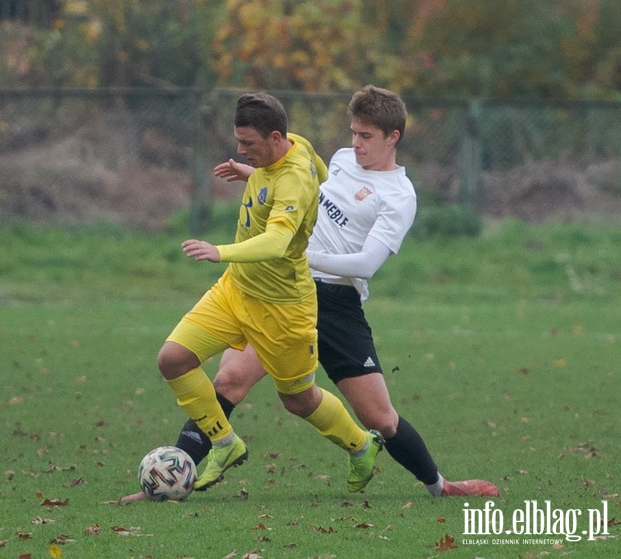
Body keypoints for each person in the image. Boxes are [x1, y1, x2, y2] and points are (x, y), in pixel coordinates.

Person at [124, 85, 497, 502]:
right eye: (354, 133)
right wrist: (258, 176)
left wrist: (299, 253)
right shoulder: (337, 160)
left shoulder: (399, 196)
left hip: (336, 303)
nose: (355, 144)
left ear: (394, 137)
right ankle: (175, 480)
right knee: (229, 380)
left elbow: (365, 264)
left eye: (367, 136)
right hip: (278, 292)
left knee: (378, 416)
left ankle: (438, 485)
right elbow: (304, 198)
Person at [155, 92, 384, 496]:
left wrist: (219, 251)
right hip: (236, 290)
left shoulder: (293, 179)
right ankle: (225, 444)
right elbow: (323, 179)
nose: (240, 149)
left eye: (249, 144)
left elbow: (278, 240)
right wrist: (253, 173)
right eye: (239, 141)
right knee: (173, 360)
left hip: (283, 309)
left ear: (275, 137)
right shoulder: (297, 145)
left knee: (298, 399)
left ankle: (361, 445)